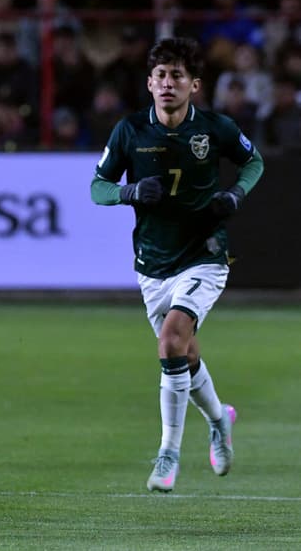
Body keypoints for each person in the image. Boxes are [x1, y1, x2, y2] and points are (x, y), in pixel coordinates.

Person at [91, 37, 264, 492]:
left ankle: (168, 452)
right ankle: (218, 420)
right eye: (161, 76)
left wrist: (236, 194)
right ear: (150, 83)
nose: (169, 83)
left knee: (170, 341)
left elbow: (254, 162)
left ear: (195, 85)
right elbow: (97, 187)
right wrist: (127, 192)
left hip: (205, 254)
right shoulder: (129, 131)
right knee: (183, 352)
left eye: (178, 76)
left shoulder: (216, 128)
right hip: (153, 263)